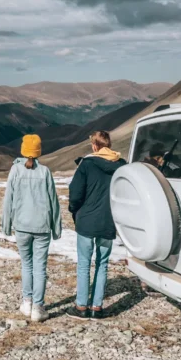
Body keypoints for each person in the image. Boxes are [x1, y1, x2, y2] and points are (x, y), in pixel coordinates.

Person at [1, 134, 62, 322]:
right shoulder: (45, 172)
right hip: (42, 227)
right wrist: (56, 227)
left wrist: (6, 224)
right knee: (40, 267)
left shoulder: (15, 171)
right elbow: (53, 201)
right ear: (38, 151)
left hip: (22, 226)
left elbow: (8, 199)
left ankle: (26, 303)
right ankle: (38, 307)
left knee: (26, 264)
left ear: (23, 149)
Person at [66, 130, 126, 320]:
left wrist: (74, 210)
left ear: (94, 146)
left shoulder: (86, 164)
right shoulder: (121, 166)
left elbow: (75, 193)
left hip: (86, 221)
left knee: (84, 264)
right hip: (108, 220)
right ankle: (97, 308)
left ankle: (81, 306)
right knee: (103, 263)